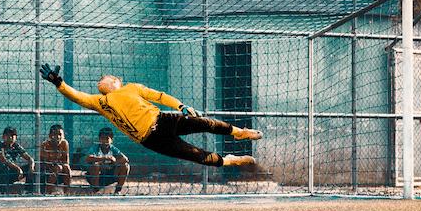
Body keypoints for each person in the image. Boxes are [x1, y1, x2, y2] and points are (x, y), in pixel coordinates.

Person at [40, 64, 262, 168]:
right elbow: (76, 95)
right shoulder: (100, 102)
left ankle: (238, 132)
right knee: (195, 154)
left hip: (163, 120)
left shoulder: (132, 88)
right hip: (150, 139)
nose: (101, 80)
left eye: (105, 77)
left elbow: (160, 96)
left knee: (205, 123)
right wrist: (58, 82)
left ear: (116, 81)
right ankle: (230, 161)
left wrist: (181, 106)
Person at [82, 127, 130, 194]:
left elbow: (125, 159)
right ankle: (96, 190)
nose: (104, 141)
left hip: (109, 175)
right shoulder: (95, 148)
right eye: (102, 139)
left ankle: (118, 190)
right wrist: (104, 158)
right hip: (96, 176)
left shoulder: (113, 149)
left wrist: (113, 163)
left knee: (125, 166)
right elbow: (87, 158)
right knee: (95, 165)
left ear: (111, 140)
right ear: (99, 139)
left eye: (107, 139)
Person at [0, 127, 34, 194]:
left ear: (16, 137)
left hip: (12, 172)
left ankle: (28, 190)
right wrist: (18, 168)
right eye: (7, 135)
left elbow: (29, 158)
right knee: (2, 168)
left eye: (12, 135)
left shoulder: (16, 146)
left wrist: (31, 166)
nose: (10, 137)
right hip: (0, 173)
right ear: (3, 137)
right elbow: (4, 160)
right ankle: (2, 192)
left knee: (30, 167)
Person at [39, 124, 71, 193]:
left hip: (59, 170)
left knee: (66, 168)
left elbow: (66, 161)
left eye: (60, 134)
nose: (58, 137)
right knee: (58, 168)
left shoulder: (64, 143)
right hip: (46, 172)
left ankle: (67, 193)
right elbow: (43, 163)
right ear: (50, 136)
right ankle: (47, 192)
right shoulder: (45, 145)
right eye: (55, 134)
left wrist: (58, 165)